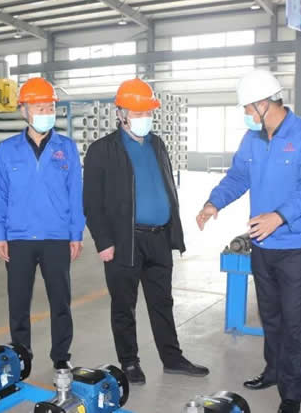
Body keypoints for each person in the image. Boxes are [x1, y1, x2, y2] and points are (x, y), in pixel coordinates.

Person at [196, 70, 301, 413]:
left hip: (296, 244)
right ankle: (274, 370)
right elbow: (238, 176)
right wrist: (214, 202)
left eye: (248, 108)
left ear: (265, 103)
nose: (246, 114)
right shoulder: (252, 139)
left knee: (294, 320)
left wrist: (279, 216)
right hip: (263, 244)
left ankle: (293, 392)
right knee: (270, 315)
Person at [83, 78, 209, 385]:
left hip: (159, 237)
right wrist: (103, 241)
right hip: (124, 241)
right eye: (138, 113)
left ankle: (172, 358)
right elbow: (91, 202)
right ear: (121, 114)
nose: (144, 118)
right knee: (123, 306)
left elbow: (166, 186)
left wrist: (172, 230)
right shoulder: (102, 150)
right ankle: (129, 362)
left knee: (162, 302)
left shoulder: (157, 144)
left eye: (147, 112)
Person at [0, 77, 84, 371]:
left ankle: (61, 356)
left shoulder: (67, 148)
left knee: (61, 302)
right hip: (19, 238)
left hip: (57, 237)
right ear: (24, 111)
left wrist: (76, 233)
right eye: (40, 107)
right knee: (18, 302)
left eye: (50, 107)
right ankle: (21, 354)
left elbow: (76, 194)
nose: (46, 112)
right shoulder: (7, 150)